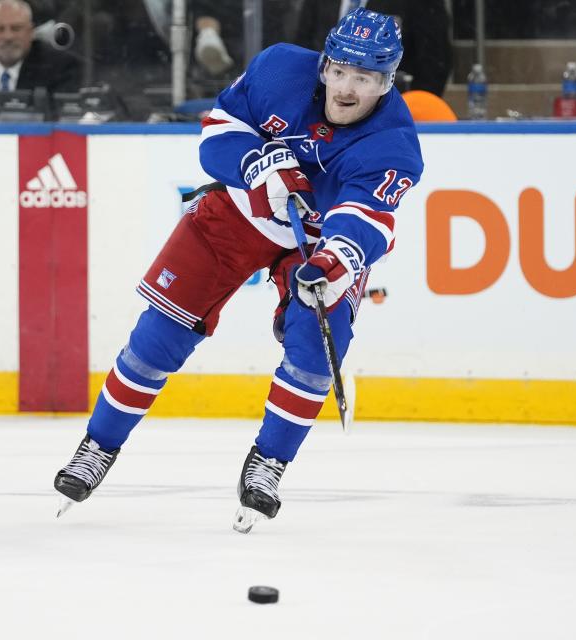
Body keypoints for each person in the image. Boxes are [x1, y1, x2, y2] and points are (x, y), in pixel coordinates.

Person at [52, 8, 423, 533]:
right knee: (159, 335)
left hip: (316, 242)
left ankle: (268, 463)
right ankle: (97, 447)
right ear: (323, 65)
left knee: (316, 348)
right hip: (238, 213)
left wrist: (329, 263)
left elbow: (365, 221)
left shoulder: (393, 144)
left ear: (385, 82)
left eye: (363, 78)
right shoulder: (278, 71)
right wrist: (257, 164)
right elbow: (217, 132)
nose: (346, 87)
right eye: (339, 70)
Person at [293, 0, 453, 96]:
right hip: (321, 107)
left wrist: (406, 109)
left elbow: (435, 63)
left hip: (388, 116)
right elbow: (303, 49)